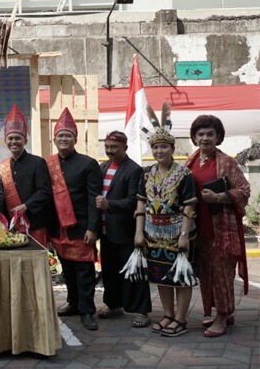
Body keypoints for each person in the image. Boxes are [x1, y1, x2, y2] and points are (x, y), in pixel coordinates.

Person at [134, 104, 198, 337]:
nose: (159, 151)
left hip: (177, 234)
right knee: (161, 276)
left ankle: (180, 319)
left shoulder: (184, 174)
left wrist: (184, 236)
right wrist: (139, 232)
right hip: (153, 233)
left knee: (181, 277)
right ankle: (168, 314)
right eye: (156, 147)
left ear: (172, 148)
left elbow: (190, 206)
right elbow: (141, 203)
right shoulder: (147, 173)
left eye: (164, 147)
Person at [185, 115, 251, 338]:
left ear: (218, 137)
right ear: (194, 137)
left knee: (222, 274)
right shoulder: (190, 162)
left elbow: (244, 190)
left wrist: (220, 197)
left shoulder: (227, 162)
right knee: (207, 274)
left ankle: (222, 317)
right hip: (199, 229)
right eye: (201, 134)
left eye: (210, 134)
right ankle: (222, 312)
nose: (205, 138)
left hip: (222, 230)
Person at [46, 108, 103, 331]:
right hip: (58, 226)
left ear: (75, 139)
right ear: (55, 139)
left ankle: (88, 311)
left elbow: (93, 198)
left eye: (68, 135)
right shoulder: (48, 164)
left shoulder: (88, 164)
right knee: (67, 269)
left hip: (81, 226)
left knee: (84, 271)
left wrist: (93, 227)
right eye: (60, 135)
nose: (64, 139)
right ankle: (73, 303)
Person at [95, 131, 151, 328]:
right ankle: (113, 305)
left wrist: (109, 204)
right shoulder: (103, 167)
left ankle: (142, 311)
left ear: (125, 148)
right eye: (107, 147)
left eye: (114, 147)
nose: (110, 151)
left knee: (134, 271)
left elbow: (134, 201)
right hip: (106, 231)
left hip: (126, 231)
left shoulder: (134, 170)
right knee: (110, 271)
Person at [0, 105, 53, 245]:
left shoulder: (38, 162)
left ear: (25, 141)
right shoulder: (4, 166)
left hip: (34, 223)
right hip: (11, 226)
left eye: (18, 138)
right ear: (5, 141)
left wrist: (26, 206)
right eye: (10, 138)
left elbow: (45, 191)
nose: (14, 142)